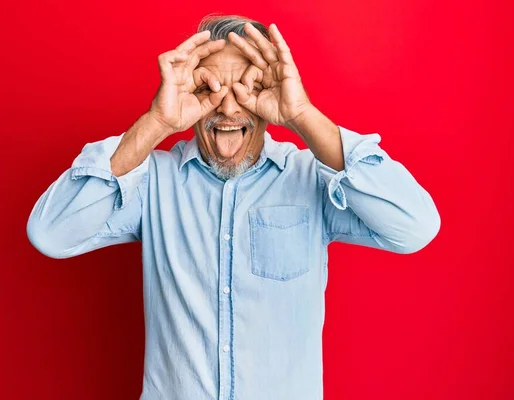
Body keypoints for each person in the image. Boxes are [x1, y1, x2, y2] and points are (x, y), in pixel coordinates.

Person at [27, 14, 440, 400]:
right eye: (208, 88)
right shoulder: (152, 182)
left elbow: (415, 226)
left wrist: (302, 115)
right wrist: (156, 123)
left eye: (249, 87)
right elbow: (51, 233)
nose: (227, 108)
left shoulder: (310, 177)